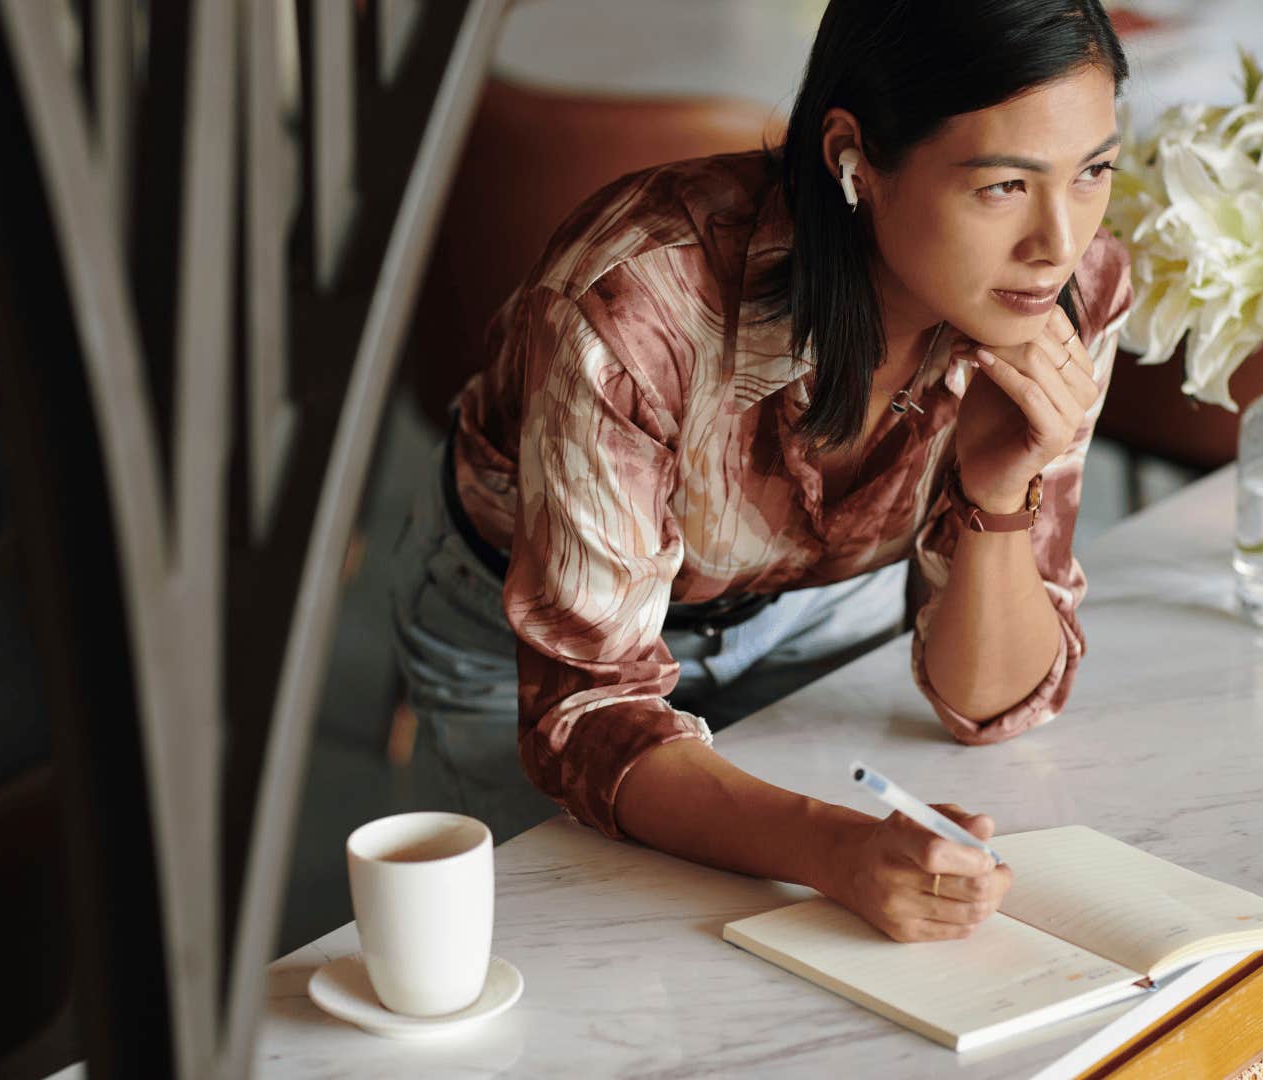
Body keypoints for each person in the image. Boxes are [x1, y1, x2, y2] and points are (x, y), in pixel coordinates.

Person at [390, 0, 1132, 944]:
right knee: (559, 966)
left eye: (1093, 171)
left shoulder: (1070, 294)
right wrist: (831, 851)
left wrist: (995, 495)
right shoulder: (636, 302)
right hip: (529, 633)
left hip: (820, 604)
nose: (1059, 243)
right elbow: (589, 710)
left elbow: (991, 706)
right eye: (1001, 186)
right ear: (852, 157)